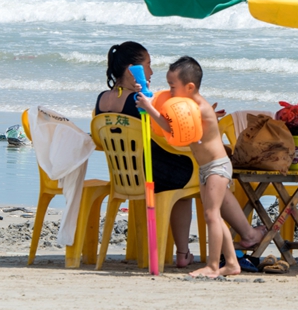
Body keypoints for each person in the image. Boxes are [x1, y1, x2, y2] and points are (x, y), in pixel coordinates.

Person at [95, 43, 264, 269]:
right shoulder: (141, 102)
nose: (151, 72)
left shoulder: (102, 100)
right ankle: (246, 233)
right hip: (154, 174)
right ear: (131, 70)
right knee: (198, 178)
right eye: (148, 65)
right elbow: (171, 135)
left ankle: (187, 252)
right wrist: (197, 121)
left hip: (126, 176)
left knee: (198, 176)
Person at [136, 55, 239, 277]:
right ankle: (231, 263)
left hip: (217, 167)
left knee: (211, 214)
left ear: (189, 86)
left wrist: (150, 108)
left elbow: (172, 130)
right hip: (205, 168)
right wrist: (145, 96)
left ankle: (213, 266)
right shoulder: (186, 105)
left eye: (173, 87)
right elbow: (163, 116)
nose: (170, 92)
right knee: (215, 215)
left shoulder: (198, 109)